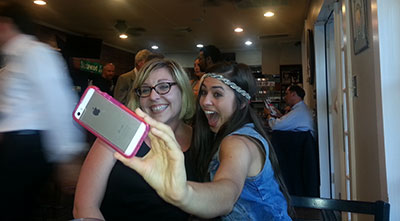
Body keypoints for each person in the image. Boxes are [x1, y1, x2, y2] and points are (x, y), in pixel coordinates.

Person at [115, 62, 292, 220]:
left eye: (217, 94)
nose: (205, 101)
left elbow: (226, 192)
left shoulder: (237, 142)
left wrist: (183, 193)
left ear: (242, 102)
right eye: (204, 92)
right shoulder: (218, 136)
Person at [73, 59, 196, 220]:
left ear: (183, 90)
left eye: (164, 86)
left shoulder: (199, 139)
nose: (153, 96)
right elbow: (84, 206)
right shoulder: (117, 130)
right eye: (145, 90)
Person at [0, 2, 85, 220]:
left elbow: (58, 103)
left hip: (28, 147)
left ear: (6, 24)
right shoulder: (11, 61)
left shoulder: (36, 53)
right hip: (15, 145)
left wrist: (67, 156)